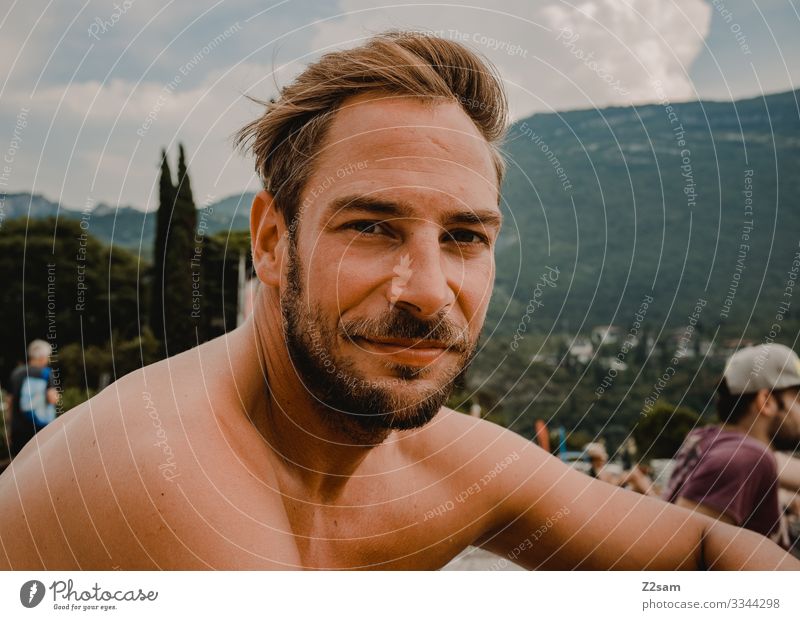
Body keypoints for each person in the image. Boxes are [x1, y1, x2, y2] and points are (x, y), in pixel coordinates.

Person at [0, 32, 797, 570]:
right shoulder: (159, 475)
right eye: (373, 226)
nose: (426, 292)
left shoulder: (439, 460)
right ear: (273, 242)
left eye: (464, 238)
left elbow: (700, 548)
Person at [663, 343, 800, 549]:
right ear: (766, 401)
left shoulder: (711, 441)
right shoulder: (744, 458)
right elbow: (679, 549)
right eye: (797, 400)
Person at [6, 340, 58, 458]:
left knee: (19, 465)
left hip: (18, 430)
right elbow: (52, 399)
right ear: (42, 357)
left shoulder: (16, 373)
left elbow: (10, 401)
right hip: (40, 429)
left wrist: (9, 429)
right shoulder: (45, 373)